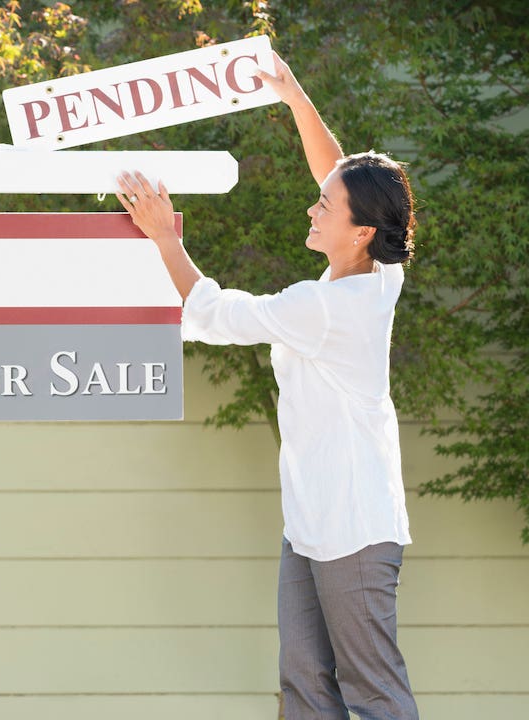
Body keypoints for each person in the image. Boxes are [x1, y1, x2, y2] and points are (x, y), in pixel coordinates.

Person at [118, 53, 419, 720]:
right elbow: (336, 171)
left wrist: (164, 236)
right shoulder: (375, 271)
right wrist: (294, 99)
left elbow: (216, 315)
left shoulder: (326, 310)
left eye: (324, 207)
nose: (312, 208)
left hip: (355, 531)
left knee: (373, 693)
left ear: (361, 231)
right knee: (306, 688)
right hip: (310, 523)